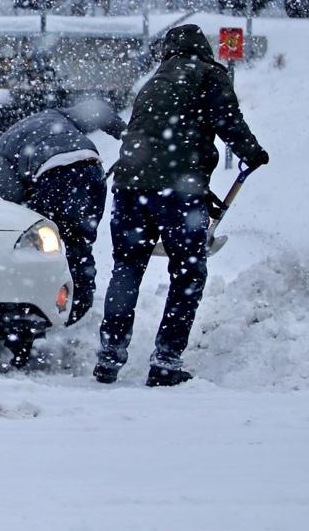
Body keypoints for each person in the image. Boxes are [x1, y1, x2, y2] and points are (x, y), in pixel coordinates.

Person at [94, 24, 268, 387]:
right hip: (178, 192)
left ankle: (109, 356)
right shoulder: (207, 74)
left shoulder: (154, 82)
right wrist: (252, 153)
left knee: (127, 268)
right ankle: (166, 361)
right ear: (202, 49)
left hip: (129, 188)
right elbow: (228, 121)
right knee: (188, 273)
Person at [0, 97, 126, 325]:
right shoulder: (55, 114)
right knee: (80, 241)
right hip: (91, 167)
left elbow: (13, 193)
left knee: (45, 247)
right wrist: (126, 135)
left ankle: (58, 308)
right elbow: (97, 110)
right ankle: (80, 302)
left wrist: (31, 205)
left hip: (51, 177)